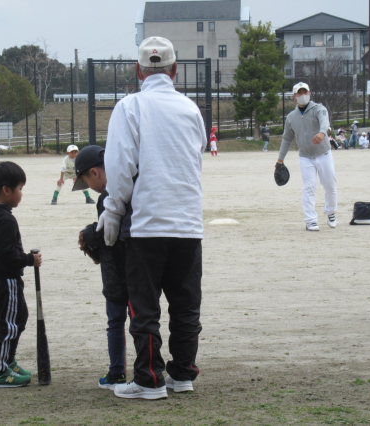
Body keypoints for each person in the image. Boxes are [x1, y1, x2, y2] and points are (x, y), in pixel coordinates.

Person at [99, 36, 204, 400]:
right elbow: (197, 153)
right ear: (174, 70)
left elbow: (120, 165)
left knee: (145, 306)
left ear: (138, 71)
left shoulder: (130, 107)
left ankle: (149, 379)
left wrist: (113, 210)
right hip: (188, 223)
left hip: (147, 224)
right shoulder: (191, 110)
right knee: (185, 303)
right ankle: (183, 373)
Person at [0, 161, 43, 387]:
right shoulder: (5, 219)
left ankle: (8, 360)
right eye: (20, 189)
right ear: (6, 190)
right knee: (9, 324)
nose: (21, 194)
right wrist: (29, 260)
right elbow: (7, 254)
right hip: (5, 279)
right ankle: (0, 371)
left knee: (18, 317)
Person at [73, 145, 129, 390]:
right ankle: (149, 369)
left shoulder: (107, 197)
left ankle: (117, 373)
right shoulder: (130, 187)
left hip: (116, 274)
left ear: (94, 172)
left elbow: (109, 236)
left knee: (116, 322)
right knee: (144, 320)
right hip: (141, 270)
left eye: (86, 181)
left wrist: (88, 234)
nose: (89, 187)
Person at [277, 82, 337, 232]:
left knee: (330, 184)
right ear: (294, 96)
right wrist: (280, 159)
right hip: (305, 156)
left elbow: (325, 122)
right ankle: (310, 220)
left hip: (323, 152)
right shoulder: (291, 117)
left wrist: (322, 132)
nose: (303, 95)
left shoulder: (319, 109)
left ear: (309, 93)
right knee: (309, 187)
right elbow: (287, 139)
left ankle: (330, 212)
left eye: (305, 92)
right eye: (300, 93)